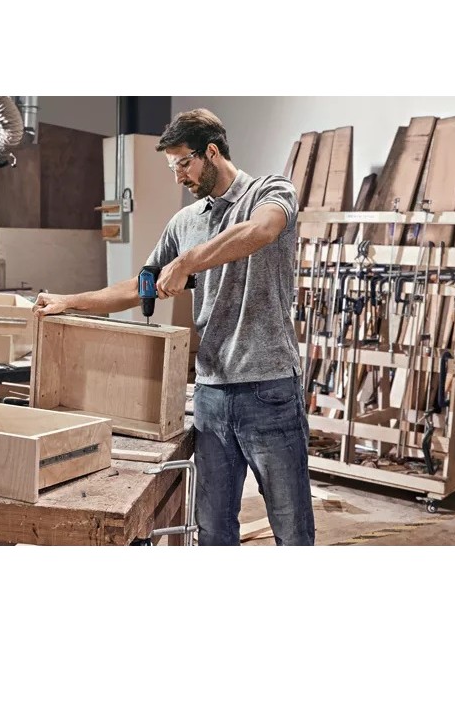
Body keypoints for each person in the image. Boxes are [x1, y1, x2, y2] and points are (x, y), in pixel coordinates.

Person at [33, 108, 315, 546]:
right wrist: (70, 301)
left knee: (292, 527)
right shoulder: (185, 222)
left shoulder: (270, 191)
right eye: (172, 168)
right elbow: (141, 285)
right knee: (213, 528)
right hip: (211, 393)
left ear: (212, 152)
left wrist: (187, 262)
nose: (179, 176)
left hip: (269, 388)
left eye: (184, 163)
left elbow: (263, 230)